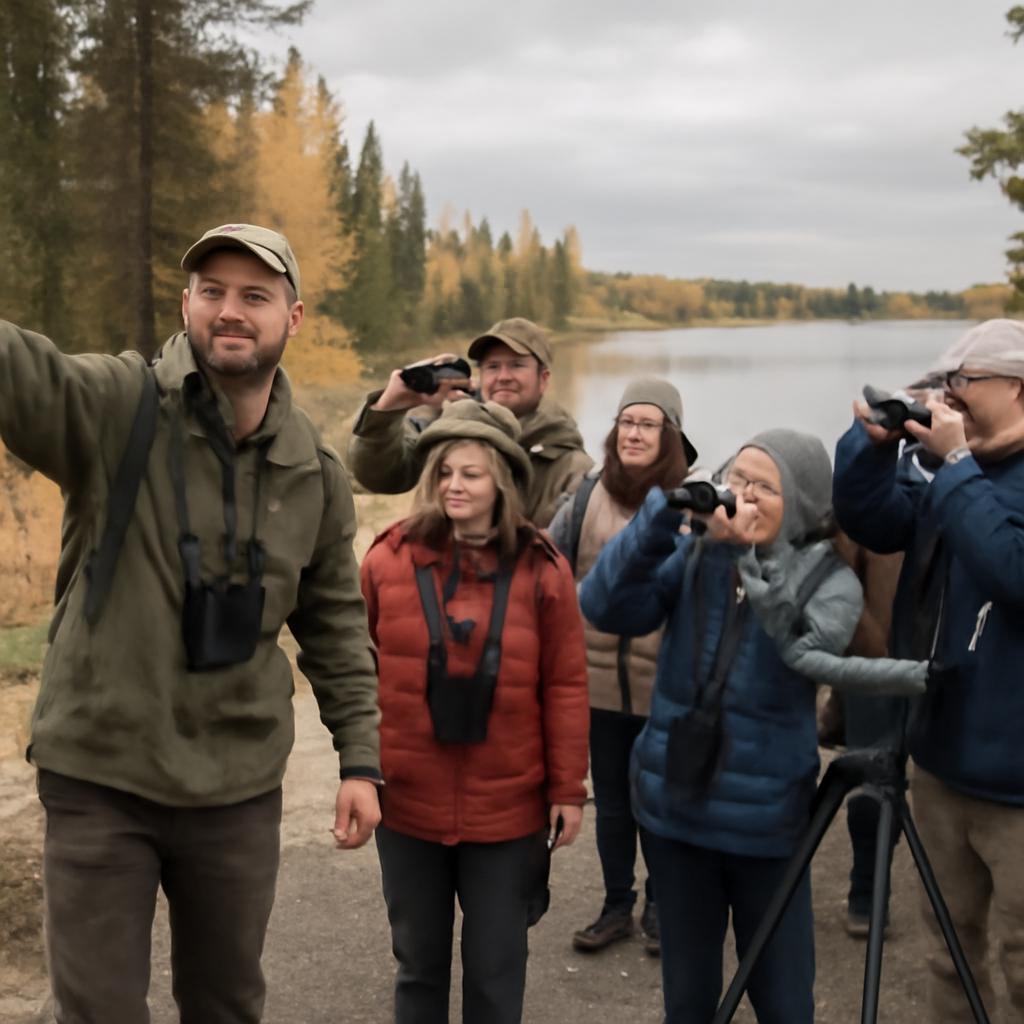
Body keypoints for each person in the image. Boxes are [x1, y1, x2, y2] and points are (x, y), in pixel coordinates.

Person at [0, 223, 382, 1023]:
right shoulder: (118, 405)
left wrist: (360, 759)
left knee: (227, 1003)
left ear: (293, 317)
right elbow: (23, 373)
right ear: (187, 306)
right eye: (213, 292)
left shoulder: (311, 469)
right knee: (99, 1012)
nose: (230, 310)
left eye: (254, 295)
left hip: (236, 786)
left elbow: (336, 623)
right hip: (102, 773)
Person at [579, 428, 924, 1024]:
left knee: (783, 999)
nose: (743, 495)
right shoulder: (696, 553)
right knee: (688, 997)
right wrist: (659, 517)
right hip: (675, 807)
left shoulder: (831, 581)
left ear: (804, 503)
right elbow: (606, 605)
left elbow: (805, 644)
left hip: (766, 824)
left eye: (764, 486)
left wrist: (748, 556)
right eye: (736, 479)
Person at [360, 399, 590, 1024]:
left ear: (503, 481)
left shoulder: (543, 569)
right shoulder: (387, 560)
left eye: (471, 473)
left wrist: (567, 789)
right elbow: (357, 671)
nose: (454, 486)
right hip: (408, 806)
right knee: (418, 966)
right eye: (444, 472)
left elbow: (565, 685)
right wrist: (359, 771)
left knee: (495, 973)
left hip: (507, 813)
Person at [834, 317, 1024, 1023]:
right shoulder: (953, 475)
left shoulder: (962, 474)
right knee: (949, 955)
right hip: (942, 763)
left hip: (1018, 786)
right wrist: (871, 446)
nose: (951, 396)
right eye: (944, 383)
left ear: (1018, 385)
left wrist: (957, 466)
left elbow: (1013, 571)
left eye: (964, 381)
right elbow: (871, 519)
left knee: (1022, 963)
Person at [547, 377, 699, 956]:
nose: (634, 433)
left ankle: (662, 904)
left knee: (662, 802)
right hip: (596, 686)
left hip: (666, 688)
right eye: (627, 422)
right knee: (612, 804)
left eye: (648, 424)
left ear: (671, 435)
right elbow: (549, 568)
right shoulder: (586, 495)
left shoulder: (689, 501)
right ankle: (617, 906)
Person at [346, 317, 593, 525]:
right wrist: (390, 407)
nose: (503, 377)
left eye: (517, 365)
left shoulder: (571, 466)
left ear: (544, 378)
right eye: (493, 367)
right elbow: (378, 476)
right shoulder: (447, 434)